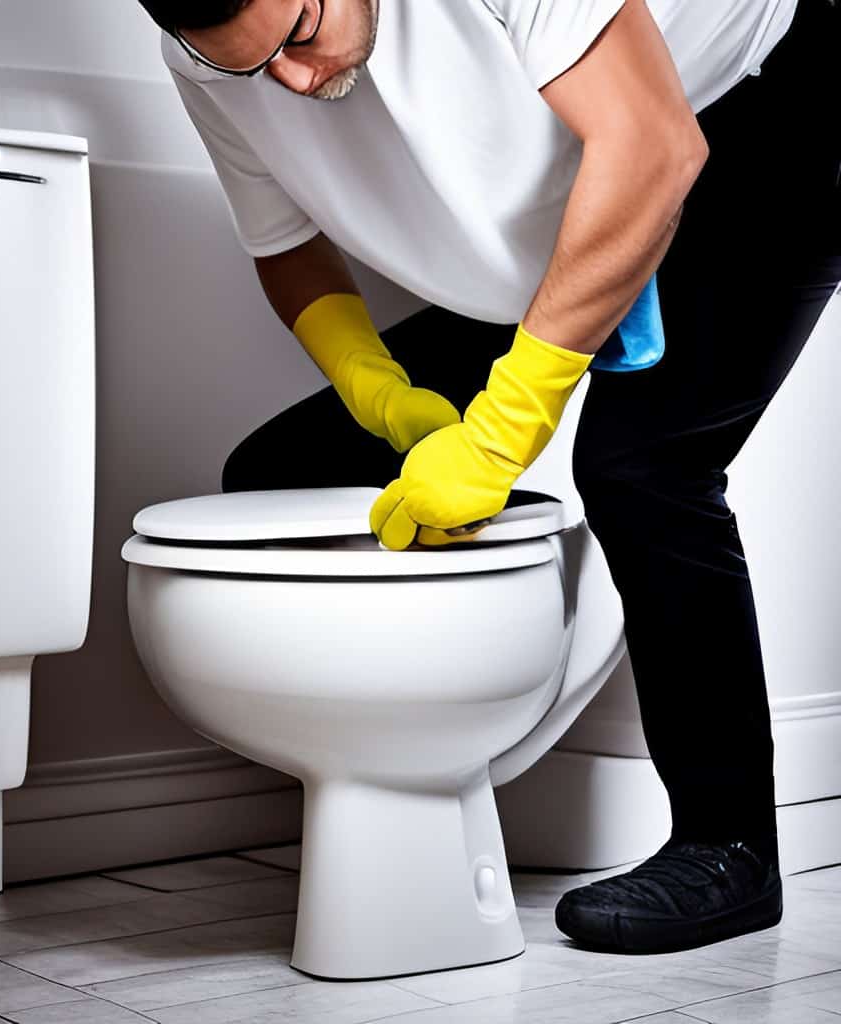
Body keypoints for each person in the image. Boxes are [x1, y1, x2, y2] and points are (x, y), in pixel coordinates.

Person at [138, 0, 840, 954]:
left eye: (300, 34)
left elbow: (651, 150)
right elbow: (284, 238)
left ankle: (731, 849)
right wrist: (381, 396)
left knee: (642, 470)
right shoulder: (208, 52)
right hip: (577, 176)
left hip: (756, 106)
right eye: (251, 69)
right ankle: (419, 768)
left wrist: (501, 436)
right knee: (284, 470)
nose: (293, 84)